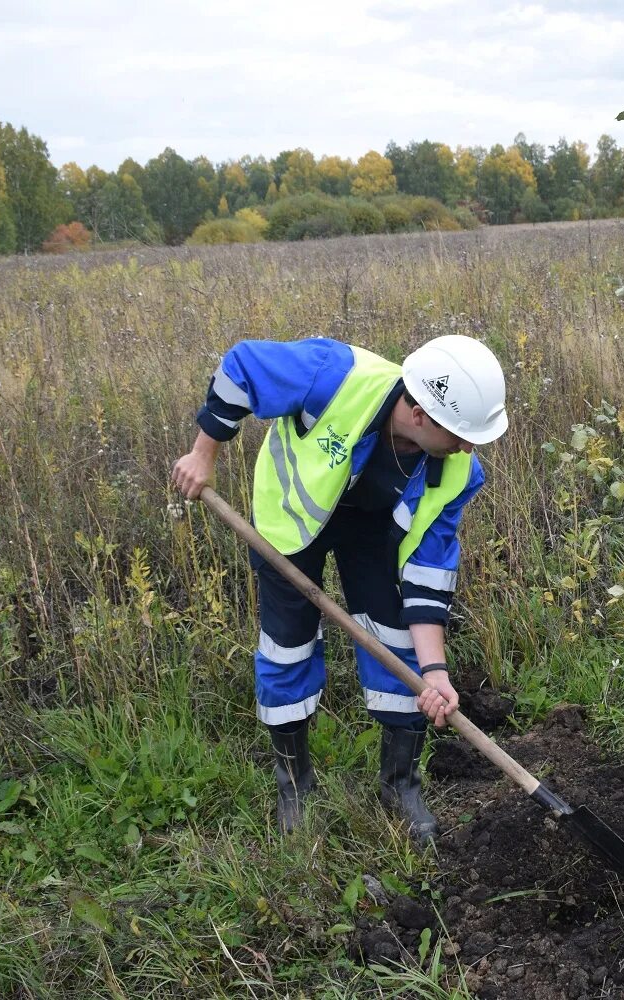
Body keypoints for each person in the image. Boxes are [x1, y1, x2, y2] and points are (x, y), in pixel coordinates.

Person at [171, 333, 508, 843]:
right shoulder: (332, 375)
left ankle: (400, 785)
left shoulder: (458, 472)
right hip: (294, 522)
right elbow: (242, 367)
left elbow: (429, 572)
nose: (468, 446)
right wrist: (203, 453)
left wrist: (435, 673)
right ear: (419, 413)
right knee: (287, 647)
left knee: (398, 642)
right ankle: (296, 788)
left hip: (374, 533)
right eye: (461, 433)